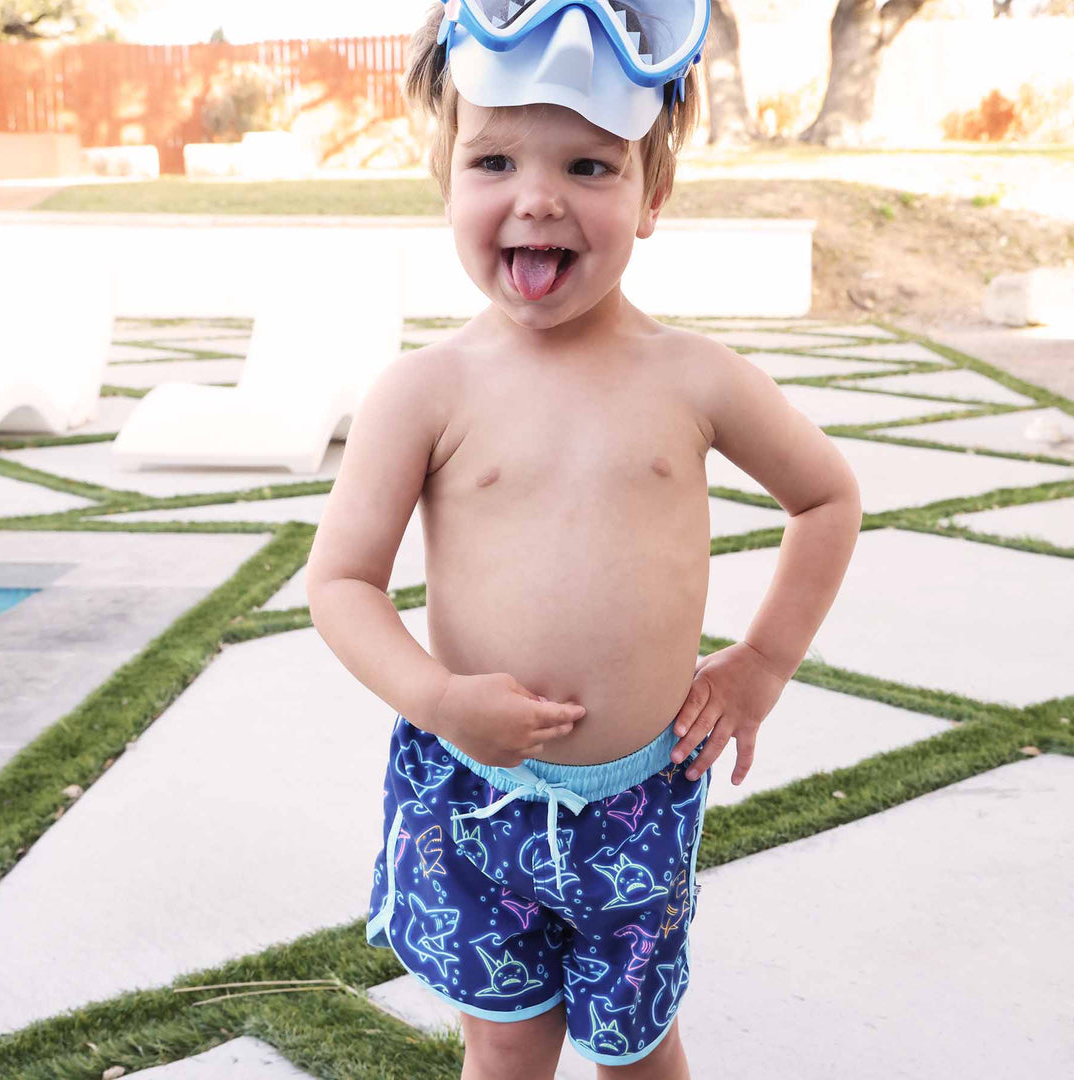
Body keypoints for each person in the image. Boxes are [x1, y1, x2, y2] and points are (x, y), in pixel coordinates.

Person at [306, 1, 862, 1076]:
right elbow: (340, 583)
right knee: (504, 1049)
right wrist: (437, 698)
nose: (538, 198)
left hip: (640, 802)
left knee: (638, 1050)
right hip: (472, 801)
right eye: (495, 160)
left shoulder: (694, 379)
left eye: (590, 167)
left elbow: (827, 498)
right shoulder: (424, 392)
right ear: (444, 176)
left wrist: (761, 664)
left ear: (654, 192)